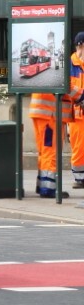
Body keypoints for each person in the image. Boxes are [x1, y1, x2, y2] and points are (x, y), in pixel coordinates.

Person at [29, 92, 71, 198]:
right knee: (51, 152)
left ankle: (43, 186)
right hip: (50, 114)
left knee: (44, 152)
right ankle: (48, 189)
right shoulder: (57, 74)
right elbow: (66, 85)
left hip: (42, 112)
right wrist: (81, 95)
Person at [69, 32, 84, 188]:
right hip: (77, 114)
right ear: (80, 46)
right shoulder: (70, 65)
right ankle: (79, 178)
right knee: (79, 147)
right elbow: (68, 88)